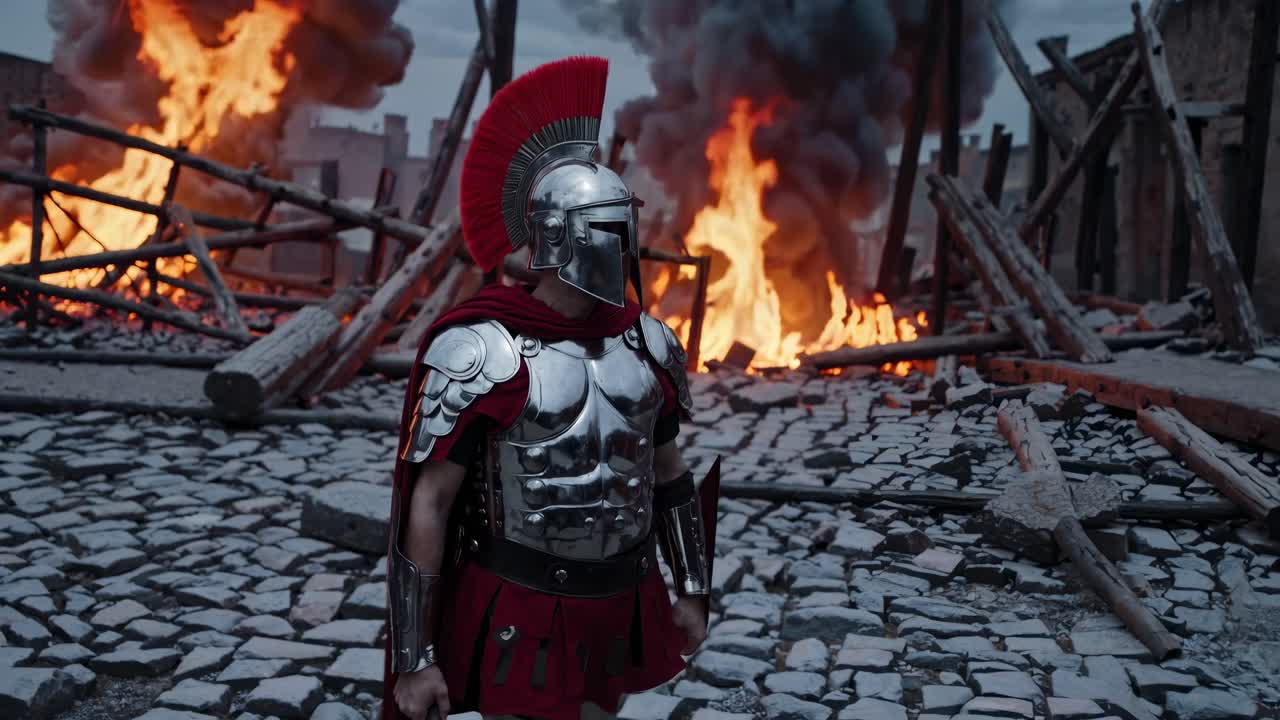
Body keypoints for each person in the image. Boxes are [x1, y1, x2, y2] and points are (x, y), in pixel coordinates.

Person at [381, 55, 713, 720]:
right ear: (563, 239)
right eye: (609, 232)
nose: (624, 251)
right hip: (519, 600)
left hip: (620, 599)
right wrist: (416, 660)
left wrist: (694, 589)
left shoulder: (649, 343)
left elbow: (671, 475)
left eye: (627, 232)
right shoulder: (481, 350)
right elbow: (429, 505)